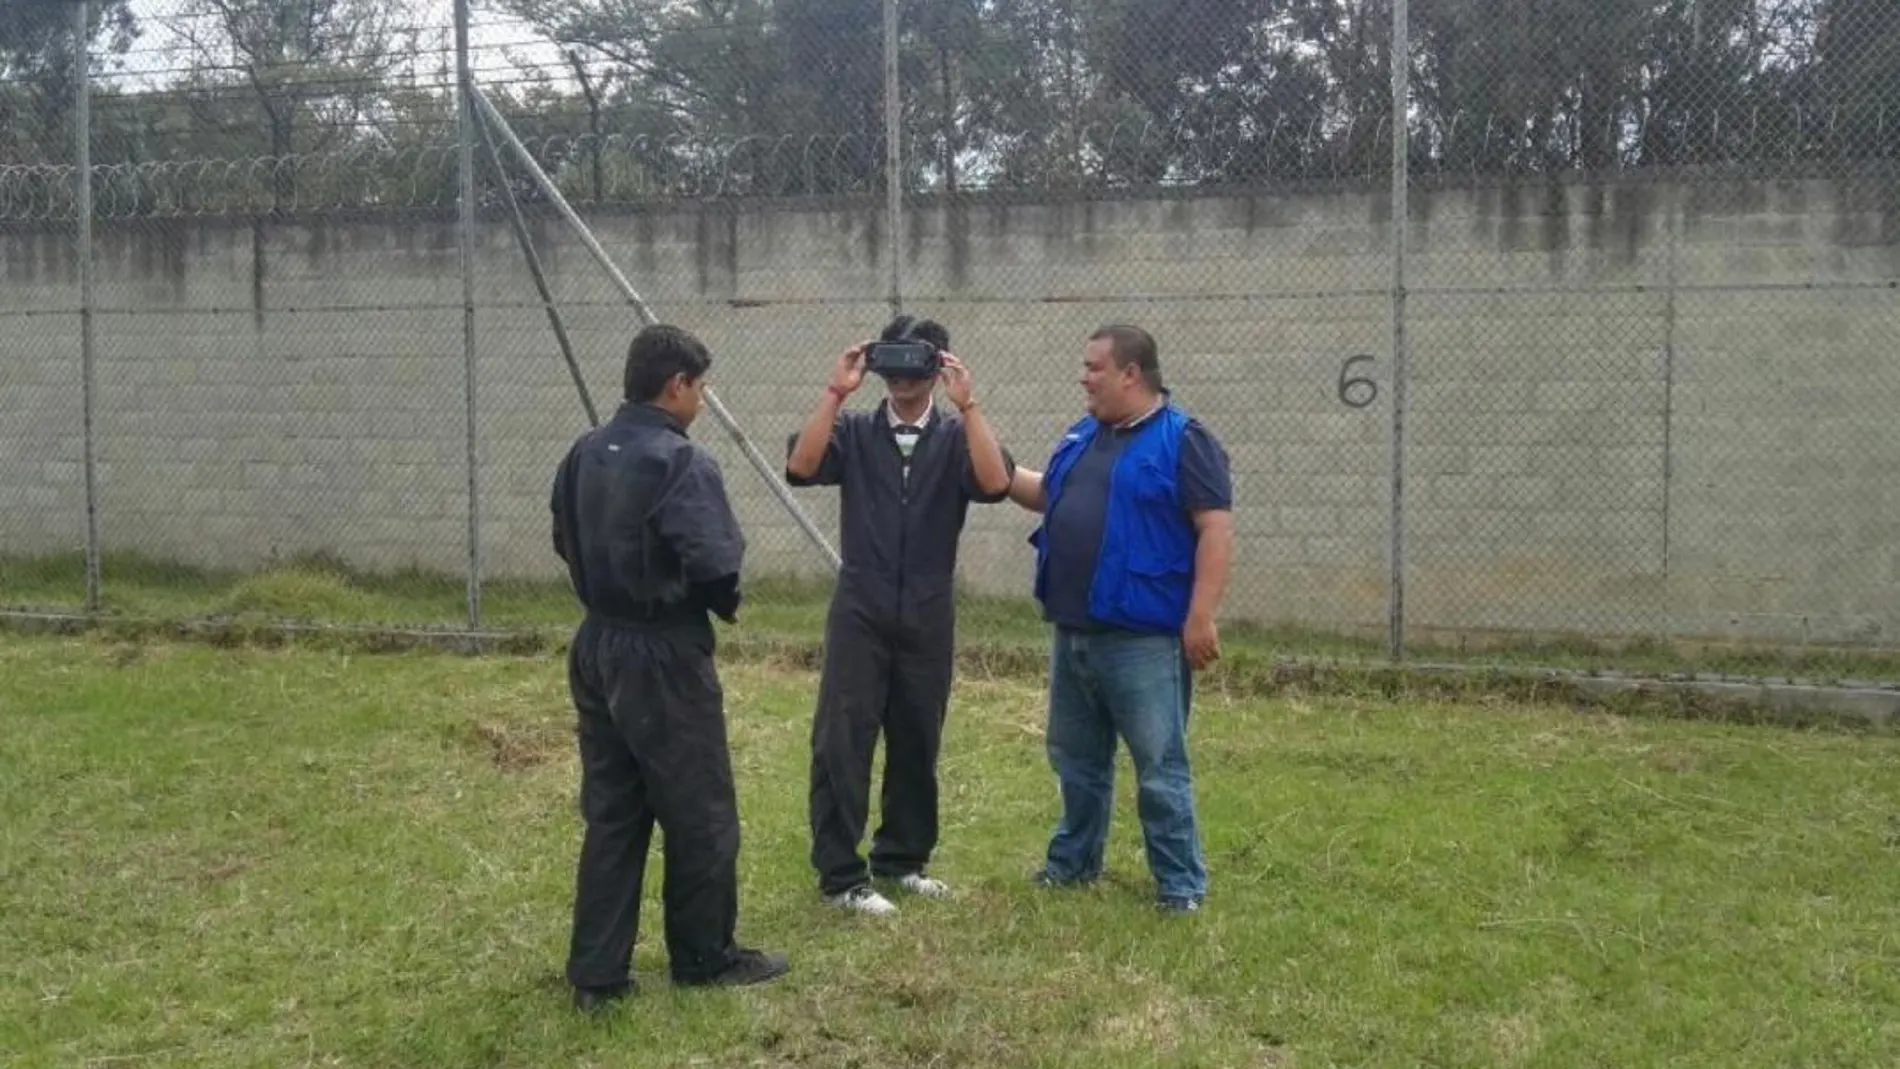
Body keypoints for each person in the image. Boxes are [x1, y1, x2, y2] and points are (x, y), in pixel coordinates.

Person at [549, 323, 789, 1011]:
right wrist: (714, 604)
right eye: (701, 386)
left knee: (615, 809)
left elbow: (562, 536)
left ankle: (597, 975)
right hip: (662, 650)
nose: (702, 400)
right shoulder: (682, 462)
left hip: (598, 644)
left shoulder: (583, 451)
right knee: (700, 809)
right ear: (677, 384)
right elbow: (715, 562)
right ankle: (705, 954)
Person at [785, 314, 1015, 916]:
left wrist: (970, 408)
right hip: (861, 604)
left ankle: (903, 860)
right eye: (892, 359)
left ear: (938, 366)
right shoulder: (857, 432)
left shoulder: (955, 436)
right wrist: (837, 392)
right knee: (843, 736)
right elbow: (802, 468)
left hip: (928, 607)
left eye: (915, 360)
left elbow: (995, 483)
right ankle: (841, 876)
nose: (901, 375)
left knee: (918, 734)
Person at [1002, 324, 1235, 914]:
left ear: (1130, 373)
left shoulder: (1183, 440)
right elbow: (1048, 494)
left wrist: (1200, 616)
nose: (1084, 377)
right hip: (1074, 630)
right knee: (1076, 761)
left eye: (1093, 367)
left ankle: (1180, 886)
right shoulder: (1083, 435)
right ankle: (1074, 864)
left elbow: (1215, 527)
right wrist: (996, 467)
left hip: (1144, 640)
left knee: (1160, 767)